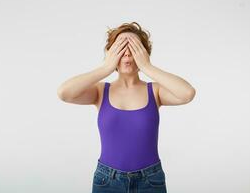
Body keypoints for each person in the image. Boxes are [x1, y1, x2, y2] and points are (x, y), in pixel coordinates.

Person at [57, 22, 196, 193]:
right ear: (111, 53)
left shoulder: (155, 91)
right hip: (107, 181)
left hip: (150, 181)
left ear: (144, 53)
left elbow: (187, 93)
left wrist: (147, 67)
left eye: (134, 47)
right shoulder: (100, 91)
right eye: (121, 47)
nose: (128, 53)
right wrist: (106, 67)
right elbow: (64, 93)